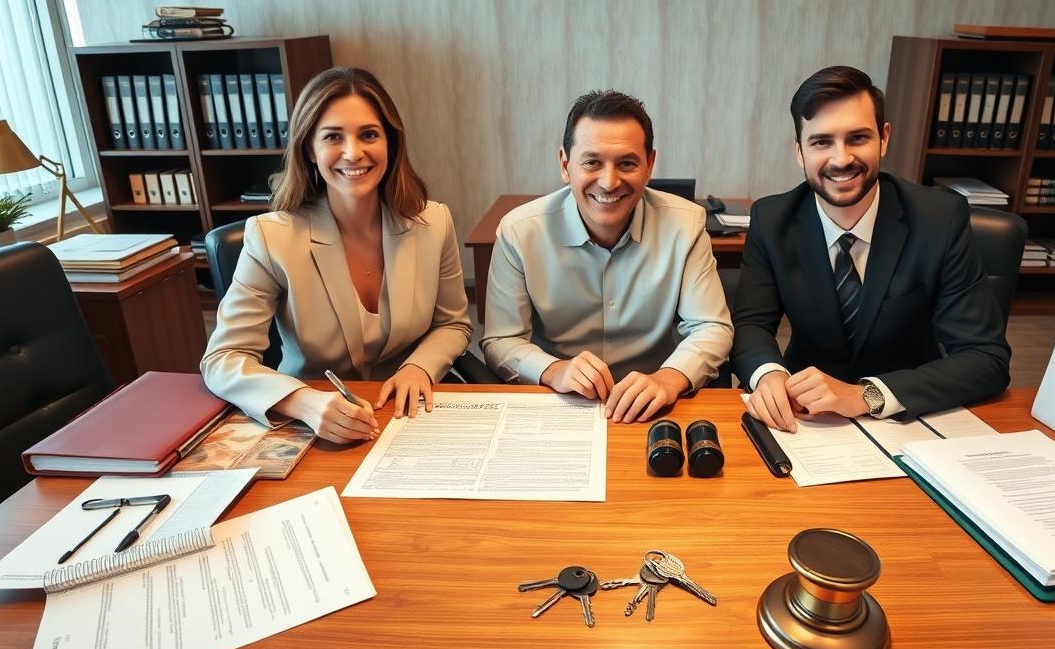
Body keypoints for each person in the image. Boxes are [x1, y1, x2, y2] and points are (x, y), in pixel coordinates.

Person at [202, 67, 472, 443]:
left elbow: (454, 323)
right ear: (310, 150)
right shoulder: (271, 237)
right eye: (332, 137)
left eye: (369, 134)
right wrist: (305, 402)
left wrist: (418, 368)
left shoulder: (433, 222)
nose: (353, 152)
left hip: (409, 415)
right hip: (313, 428)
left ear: (390, 143)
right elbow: (223, 358)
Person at [733, 66, 1010, 432]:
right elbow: (752, 325)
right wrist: (768, 374)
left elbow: (986, 358)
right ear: (799, 152)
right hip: (808, 421)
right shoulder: (772, 220)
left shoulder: (939, 218)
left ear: (883, 138)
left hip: (911, 417)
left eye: (857, 138)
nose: (841, 158)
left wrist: (867, 396)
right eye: (821, 142)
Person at [481, 90, 732, 423]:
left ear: (649, 164)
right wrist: (553, 370)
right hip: (560, 404)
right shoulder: (519, 232)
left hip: (654, 406)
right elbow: (501, 339)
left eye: (626, 163)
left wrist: (669, 379)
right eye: (592, 162)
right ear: (565, 164)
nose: (609, 182)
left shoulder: (686, 225)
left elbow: (711, 327)